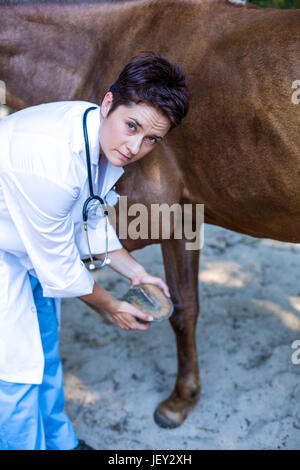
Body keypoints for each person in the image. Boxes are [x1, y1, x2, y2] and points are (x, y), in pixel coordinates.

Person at [0, 52, 189, 450]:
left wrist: (136, 273)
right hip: (7, 253)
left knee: (46, 356)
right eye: (132, 126)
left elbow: (89, 217)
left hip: (30, 246)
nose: (136, 146)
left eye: (152, 138)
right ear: (108, 104)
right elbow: (63, 267)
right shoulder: (51, 164)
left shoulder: (96, 132)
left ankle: (60, 442)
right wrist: (112, 306)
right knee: (15, 373)